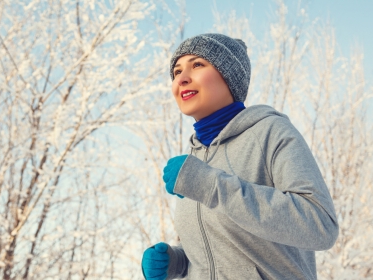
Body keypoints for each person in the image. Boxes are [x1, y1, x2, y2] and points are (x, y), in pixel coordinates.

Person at [141, 33, 339, 280]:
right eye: (177, 72)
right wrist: (178, 262)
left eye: (197, 65)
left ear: (229, 76)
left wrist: (211, 186)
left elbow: (320, 225)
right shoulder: (196, 156)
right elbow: (228, 251)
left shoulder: (270, 133)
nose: (182, 78)